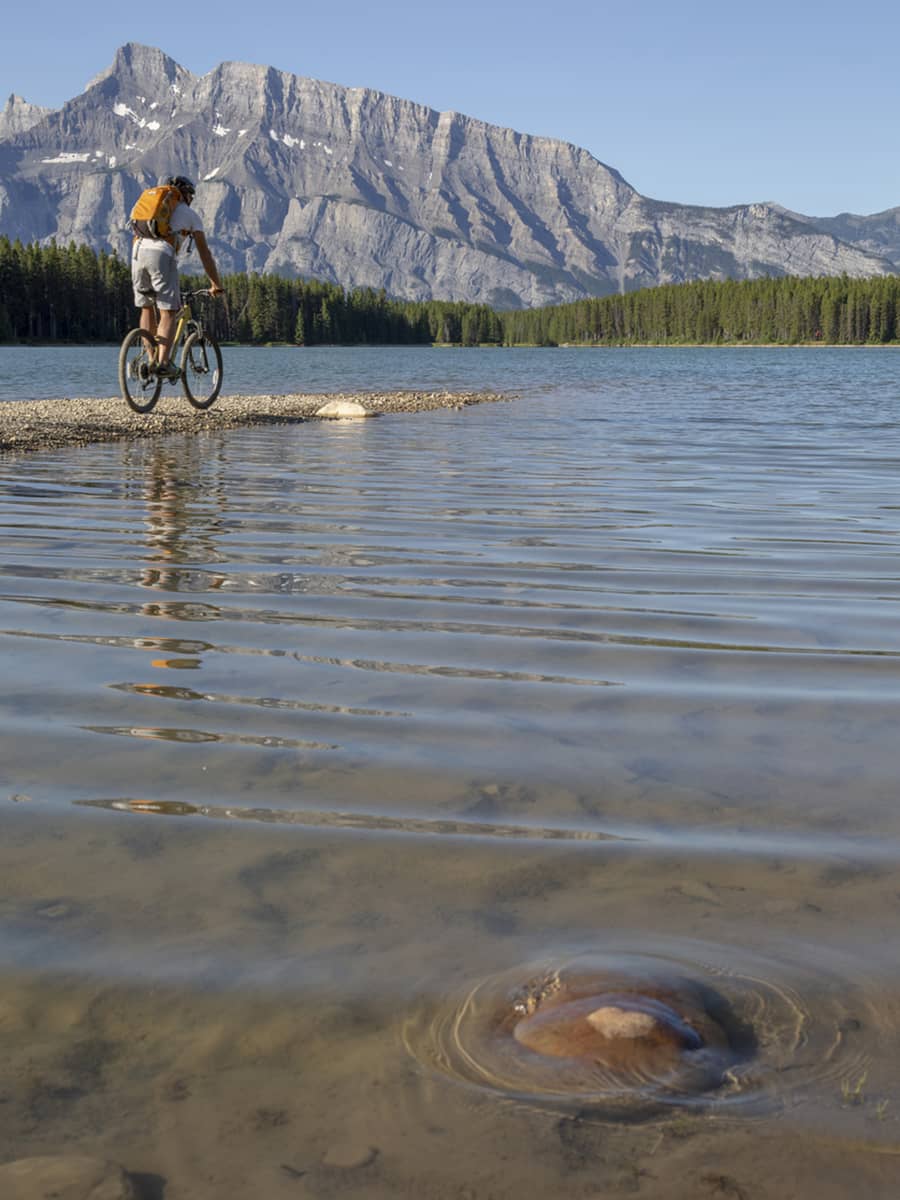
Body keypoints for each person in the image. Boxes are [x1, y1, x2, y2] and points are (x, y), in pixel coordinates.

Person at [130, 174, 224, 380]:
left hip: (137, 252)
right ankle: (163, 363)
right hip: (162, 254)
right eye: (191, 194)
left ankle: (151, 359)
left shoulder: (149, 207)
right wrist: (215, 283)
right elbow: (205, 253)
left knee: (146, 307)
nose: (191, 198)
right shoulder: (189, 215)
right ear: (186, 194)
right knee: (169, 311)